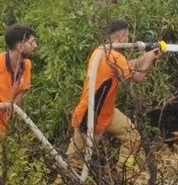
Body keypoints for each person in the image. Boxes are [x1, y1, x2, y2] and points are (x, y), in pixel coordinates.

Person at [67, 19, 163, 171]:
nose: (129, 40)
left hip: (107, 112)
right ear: (121, 38)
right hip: (90, 116)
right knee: (74, 163)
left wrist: (146, 56)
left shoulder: (100, 51)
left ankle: (123, 173)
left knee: (132, 136)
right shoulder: (114, 57)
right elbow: (137, 78)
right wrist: (150, 58)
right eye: (128, 37)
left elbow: (125, 65)